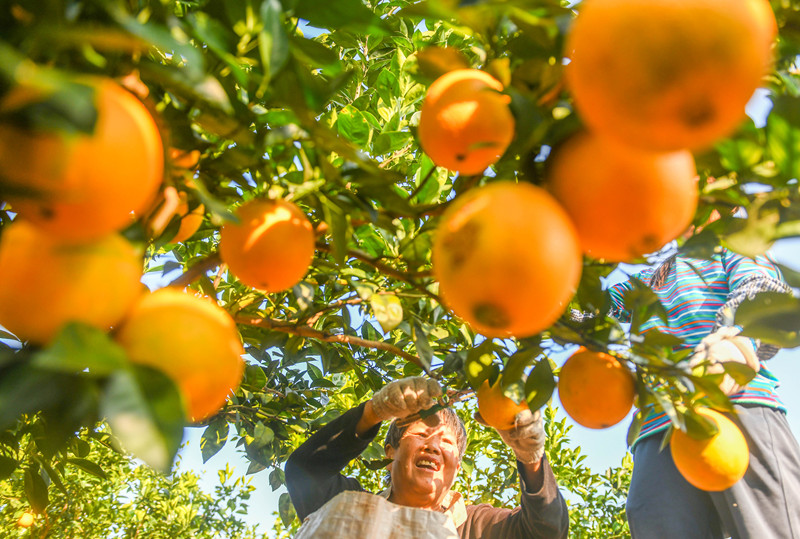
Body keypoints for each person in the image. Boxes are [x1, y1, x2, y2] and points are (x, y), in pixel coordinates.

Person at [607, 245, 800, 538]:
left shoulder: (733, 247)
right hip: (659, 428)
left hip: (736, 402)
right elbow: (588, 307)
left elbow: (759, 290)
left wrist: (735, 341)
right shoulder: (649, 280)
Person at [285, 376, 569, 538]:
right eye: (421, 435)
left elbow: (546, 532)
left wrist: (530, 458)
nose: (433, 446)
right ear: (391, 452)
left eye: (446, 442)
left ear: (457, 466)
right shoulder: (352, 511)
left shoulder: (476, 526)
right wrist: (374, 411)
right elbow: (305, 470)